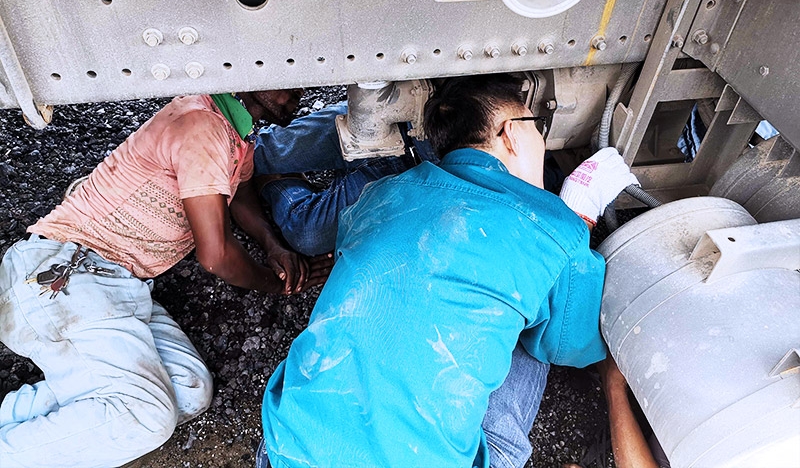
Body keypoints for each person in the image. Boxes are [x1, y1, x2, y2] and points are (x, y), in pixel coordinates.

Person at [258, 74, 639, 468]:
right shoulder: (552, 232)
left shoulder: (379, 194)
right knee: (540, 320)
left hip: (290, 446)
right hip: (281, 452)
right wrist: (573, 214)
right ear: (512, 134)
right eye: (537, 128)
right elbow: (575, 346)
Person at [0, 90, 332, 468]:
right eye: (288, 79)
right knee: (149, 417)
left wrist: (273, 246)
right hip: (64, 273)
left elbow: (235, 191)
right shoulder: (202, 124)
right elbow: (216, 256)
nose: (299, 93)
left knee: (189, 390)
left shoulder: (232, 131)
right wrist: (280, 284)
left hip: (119, 282)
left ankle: (21, 416)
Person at [253, 100, 438, 256]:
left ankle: (278, 180)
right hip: (389, 120)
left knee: (308, 235)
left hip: (411, 176)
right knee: (258, 154)